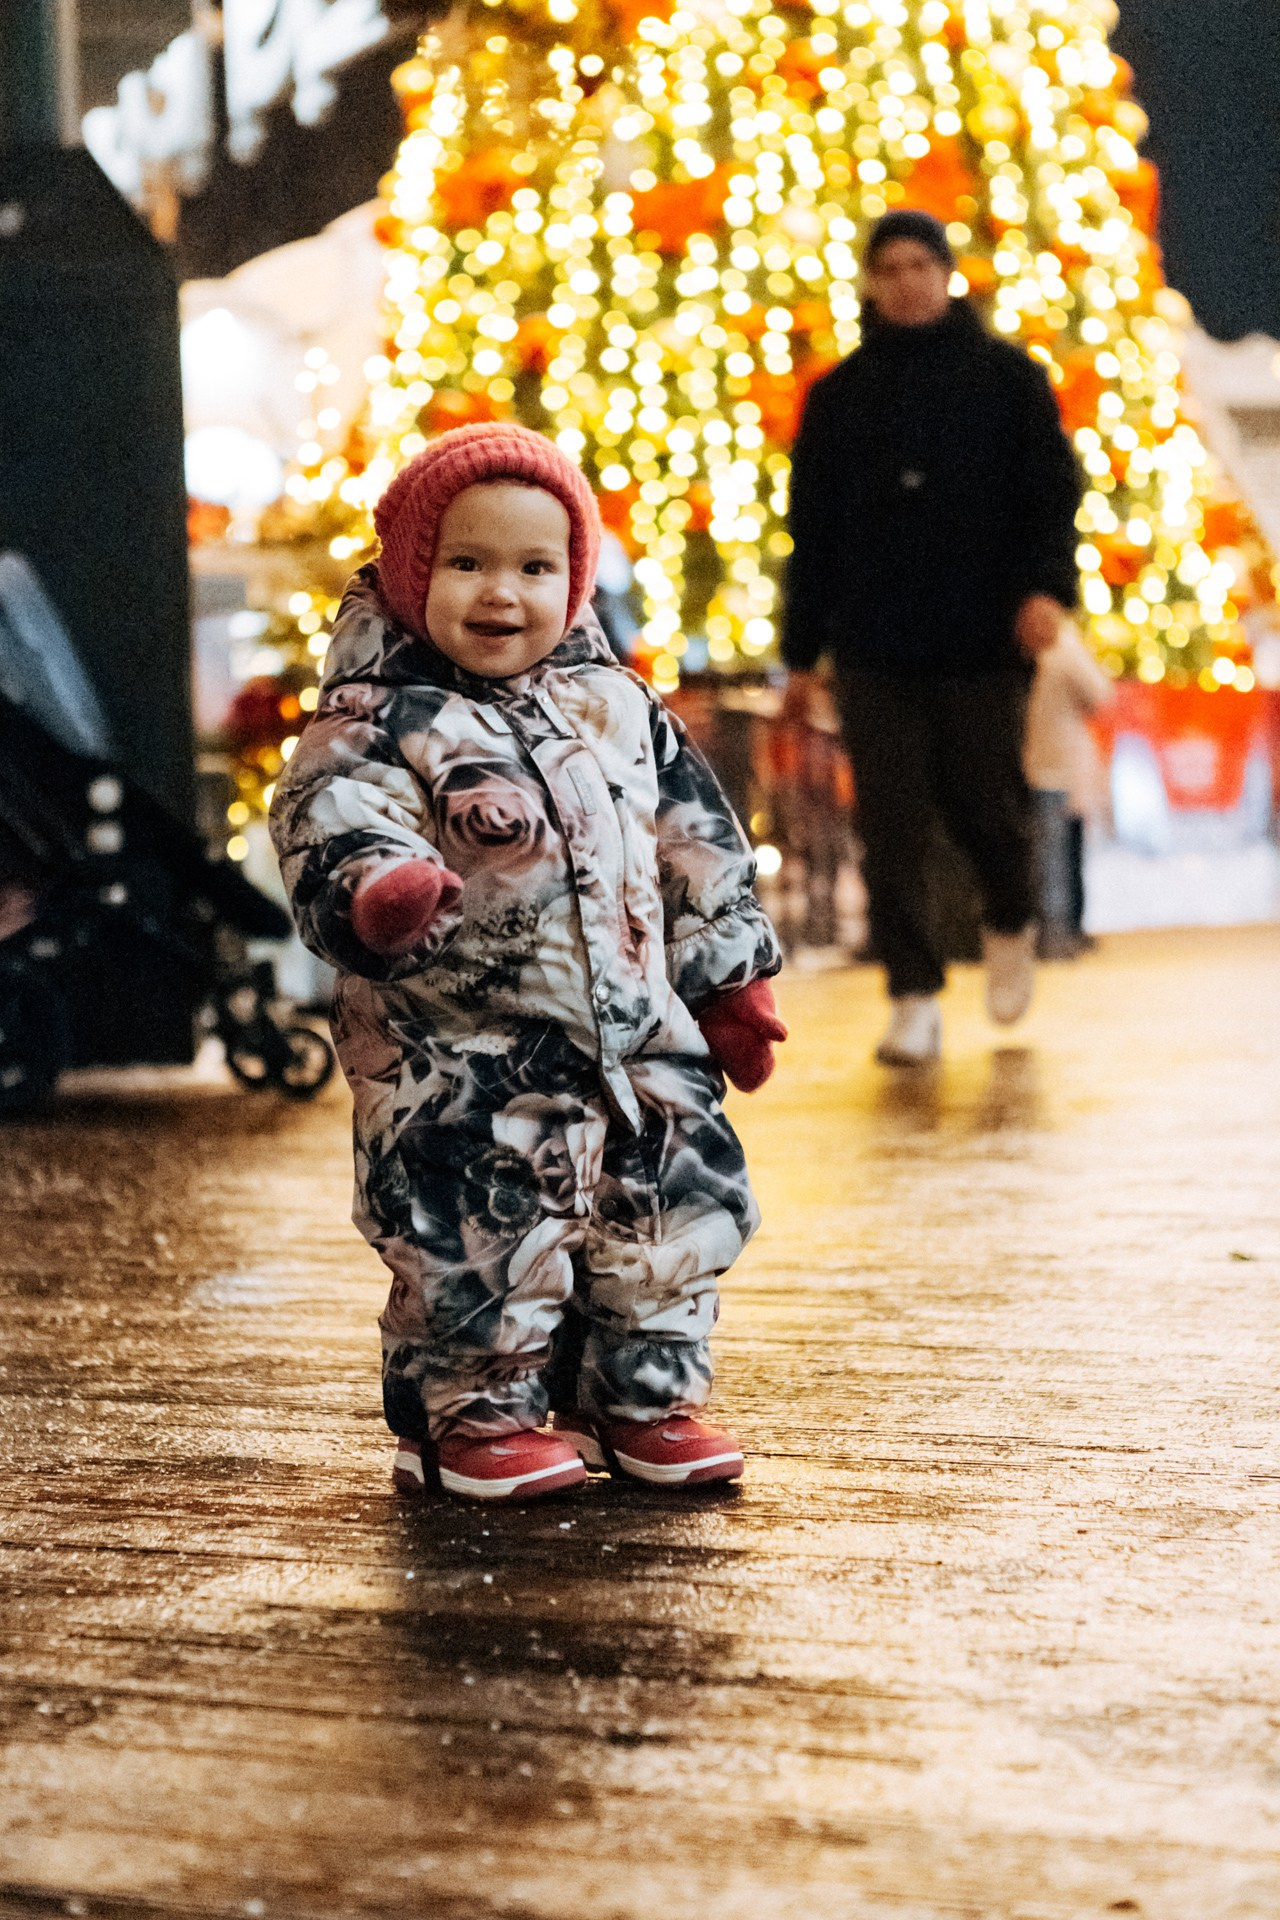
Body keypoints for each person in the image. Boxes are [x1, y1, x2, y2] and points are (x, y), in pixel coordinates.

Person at [269, 423, 785, 1503]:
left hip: (639, 1044)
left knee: (663, 1218)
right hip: (462, 1060)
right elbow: (336, 822)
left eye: (534, 568)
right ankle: (470, 1416)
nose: (501, 594)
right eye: (467, 564)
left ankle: (641, 1395)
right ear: (413, 575)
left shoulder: (616, 708)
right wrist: (381, 894)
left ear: (575, 578)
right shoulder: (375, 723)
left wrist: (728, 979)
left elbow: (694, 842)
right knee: (480, 1235)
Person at [782, 209, 1082, 1065]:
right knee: (892, 826)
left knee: (990, 809)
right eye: (891, 268)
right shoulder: (839, 398)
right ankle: (912, 995)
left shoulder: (1009, 380)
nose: (907, 280)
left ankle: (1011, 920)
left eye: (921, 264)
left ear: (949, 274)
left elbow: (1050, 493)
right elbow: (814, 532)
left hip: (983, 640)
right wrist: (801, 655)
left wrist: (1045, 590)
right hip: (875, 647)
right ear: (872, 284)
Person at [1024, 616, 1114, 955]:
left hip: (1033, 761)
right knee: (1058, 856)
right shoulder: (1064, 648)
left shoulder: (1015, 648)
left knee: (1049, 855)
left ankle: (1060, 931)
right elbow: (1101, 694)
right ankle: (1059, 934)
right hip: (1060, 765)